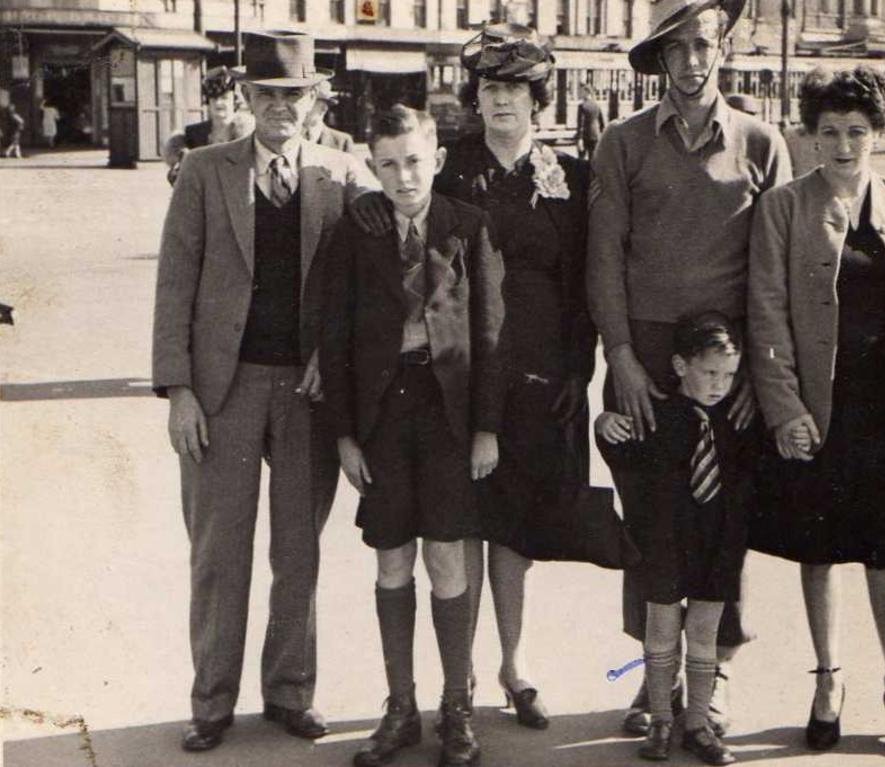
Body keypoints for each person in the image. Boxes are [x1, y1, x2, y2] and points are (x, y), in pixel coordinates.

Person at [151, 31, 388, 752]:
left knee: (299, 551)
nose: (281, 108)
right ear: (246, 99)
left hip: (307, 392)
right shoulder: (203, 171)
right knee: (219, 552)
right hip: (224, 389)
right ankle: (211, 701)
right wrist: (179, 389)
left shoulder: (345, 176)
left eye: (295, 95)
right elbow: (173, 285)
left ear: (315, 101)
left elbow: (381, 260)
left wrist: (337, 357)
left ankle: (290, 691)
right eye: (268, 95)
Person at [588, 0, 791, 736]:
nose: (691, 62)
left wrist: (758, 376)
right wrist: (621, 357)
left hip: (729, 363)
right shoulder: (624, 142)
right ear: (660, 61)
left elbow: (777, 272)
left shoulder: (764, 144)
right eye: (675, 50)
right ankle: (656, 676)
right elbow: (604, 257)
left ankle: (716, 674)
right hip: (644, 354)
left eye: (702, 45)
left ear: (724, 48)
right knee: (650, 517)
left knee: (723, 519)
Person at [747, 67, 885, 759]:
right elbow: (765, 310)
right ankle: (827, 681)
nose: (844, 145)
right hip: (818, 408)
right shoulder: (784, 207)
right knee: (821, 551)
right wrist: (784, 408)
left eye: (857, 132)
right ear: (810, 135)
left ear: (879, 133)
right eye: (829, 132)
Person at [320, 104, 505, 767]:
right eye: (389, 164)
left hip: (448, 414)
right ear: (373, 166)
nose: (404, 178)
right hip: (383, 416)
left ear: (438, 159)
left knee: (448, 557)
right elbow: (335, 338)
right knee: (392, 556)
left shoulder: (467, 226)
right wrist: (345, 433)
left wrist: (486, 428)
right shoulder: (357, 233)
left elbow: (489, 336)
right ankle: (400, 705)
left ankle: (458, 706)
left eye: (415, 161)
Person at [433, 22, 596, 731]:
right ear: (476, 95)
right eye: (490, 87)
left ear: (539, 98)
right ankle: (461, 674)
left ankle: (515, 665)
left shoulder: (569, 177)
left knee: (516, 530)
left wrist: (577, 367)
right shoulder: (451, 170)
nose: (501, 100)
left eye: (516, 89)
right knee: (466, 518)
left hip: (540, 377)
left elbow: (586, 280)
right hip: (465, 377)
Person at [597, 313, 754, 766]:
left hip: (718, 543)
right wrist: (604, 424)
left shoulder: (738, 420)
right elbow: (620, 449)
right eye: (710, 372)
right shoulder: (656, 414)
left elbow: (754, 480)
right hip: (663, 541)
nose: (719, 384)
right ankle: (662, 719)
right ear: (681, 366)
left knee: (704, 635)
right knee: (662, 632)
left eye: (728, 375)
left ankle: (699, 724)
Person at [162, 66, 254, 185]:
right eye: (214, 98)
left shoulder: (249, 136)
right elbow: (177, 181)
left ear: (235, 101)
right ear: (208, 103)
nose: (219, 103)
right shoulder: (193, 136)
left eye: (224, 98)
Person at [304, 80, 355, 152]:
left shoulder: (342, 142)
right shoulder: (289, 139)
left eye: (311, 103)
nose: (304, 108)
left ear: (324, 108)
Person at [576, 84, 605, 160]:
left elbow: (581, 124)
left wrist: (580, 138)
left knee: (581, 160)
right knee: (593, 159)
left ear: (587, 92)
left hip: (585, 136)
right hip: (595, 136)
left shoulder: (582, 106)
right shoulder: (597, 105)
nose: (581, 94)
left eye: (582, 92)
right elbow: (602, 123)